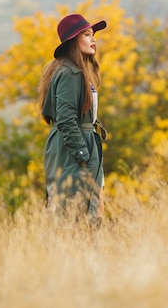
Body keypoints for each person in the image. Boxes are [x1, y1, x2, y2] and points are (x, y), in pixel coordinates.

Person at [38, 13, 108, 226]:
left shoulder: (72, 71)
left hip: (77, 144)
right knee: (77, 212)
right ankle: (84, 256)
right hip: (73, 148)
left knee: (90, 206)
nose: (93, 38)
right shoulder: (70, 73)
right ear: (73, 41)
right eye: (87, 34)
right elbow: (66, 119)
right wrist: (83, 155)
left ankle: (88, 255)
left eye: (93, 34)